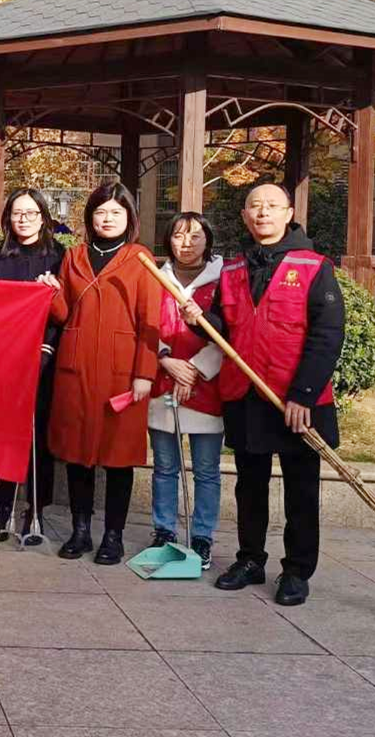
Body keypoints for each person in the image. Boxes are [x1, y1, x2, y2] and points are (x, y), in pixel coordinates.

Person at [182, 183, 344, 606]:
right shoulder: (234, 268)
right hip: (246, 393)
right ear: (244, 215)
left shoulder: (314, 266)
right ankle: (250, 559)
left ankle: (297, 571)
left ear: (289, 213)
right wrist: (201, 320)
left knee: (301, 490)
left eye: (272, 206)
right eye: (255, 206)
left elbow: (328, 335)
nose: (262, 213)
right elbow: (226, 327)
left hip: (295, 400)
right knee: (249, 485)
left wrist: (303, 395)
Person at [47, 181, 160, 565]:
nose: (107, 218)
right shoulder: (74, 256)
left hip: (121, 371)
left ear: (129, 216)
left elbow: (150, 320)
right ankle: (80, 531)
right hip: (76, 366)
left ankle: (113, 535)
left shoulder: (141, 258)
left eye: (115, 212)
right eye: (100, 212)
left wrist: (145, 373)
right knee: (77, 453)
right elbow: (64, 314)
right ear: (90, 216)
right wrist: (51, 293)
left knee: (118, 456)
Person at [0, 188, 65, 539]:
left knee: (38, 436)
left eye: (31, 213)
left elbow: (64, 312)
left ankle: (35, 509)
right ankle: (2, 507)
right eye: (17, 213)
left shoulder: (60, 256)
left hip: (45, 356)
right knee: (3, 434)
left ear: (43, 217)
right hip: (5, 357)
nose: (24, 220)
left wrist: (46, 349)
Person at [147, 212, 224, 569]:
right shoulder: (154, 277)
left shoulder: (224, 279)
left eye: (195, 236)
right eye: (178, 236)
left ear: (208, 240)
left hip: (207, 386)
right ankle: (164, 531)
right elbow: (144, 325)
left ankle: (203, 536)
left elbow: (231, 331)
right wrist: (165, 360)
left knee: (206, 469)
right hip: (164, 380)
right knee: (165, 467)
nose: (186, 244)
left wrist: (194, 369)